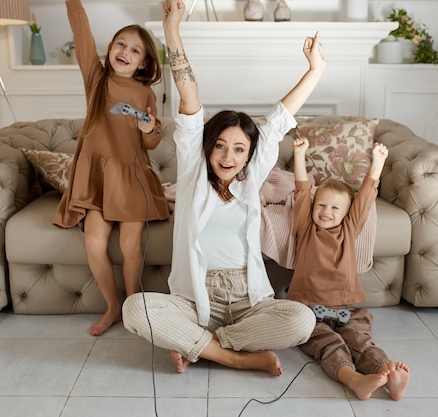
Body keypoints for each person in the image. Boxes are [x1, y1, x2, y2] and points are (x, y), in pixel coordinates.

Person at [122, 0, 324, 377]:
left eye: (239, 149)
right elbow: (189, 94)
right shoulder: (193, 171)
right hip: (193, 298)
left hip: (248, 299)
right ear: (207, 145)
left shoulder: (250, 181)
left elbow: (281, 118)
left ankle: (202, 346)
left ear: (250, 155)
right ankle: (236, 357)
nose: (228, 157)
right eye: (219, 145)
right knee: (135, 309)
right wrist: (172, 31)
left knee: (302, 320)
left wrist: (316, 69)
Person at [53, 0, 170, 337]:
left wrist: (149, 129)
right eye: (120, 44)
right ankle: (113, 306)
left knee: (131, 246)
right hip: (98, 180)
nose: (125, 51)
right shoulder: (96, 78)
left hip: (132, 178)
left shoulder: (145, 92)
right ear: (109, 48)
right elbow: (81, 32)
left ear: (143, 62)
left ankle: (133, 302)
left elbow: (152, 143)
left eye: (134, 50)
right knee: (94, 243)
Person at [287, 137, 410, 400]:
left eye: (334, 208)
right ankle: (354, 379)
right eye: (320, 205)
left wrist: (378, 163)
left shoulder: (349, 230)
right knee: (329, 344)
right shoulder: (305, 228)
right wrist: (299, 155)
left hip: (346, 311)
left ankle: (387, 373)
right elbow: (301, 189)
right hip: (309, 313)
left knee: (359, 340)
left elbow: (365, 198)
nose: (326, 212)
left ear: (346, 213)